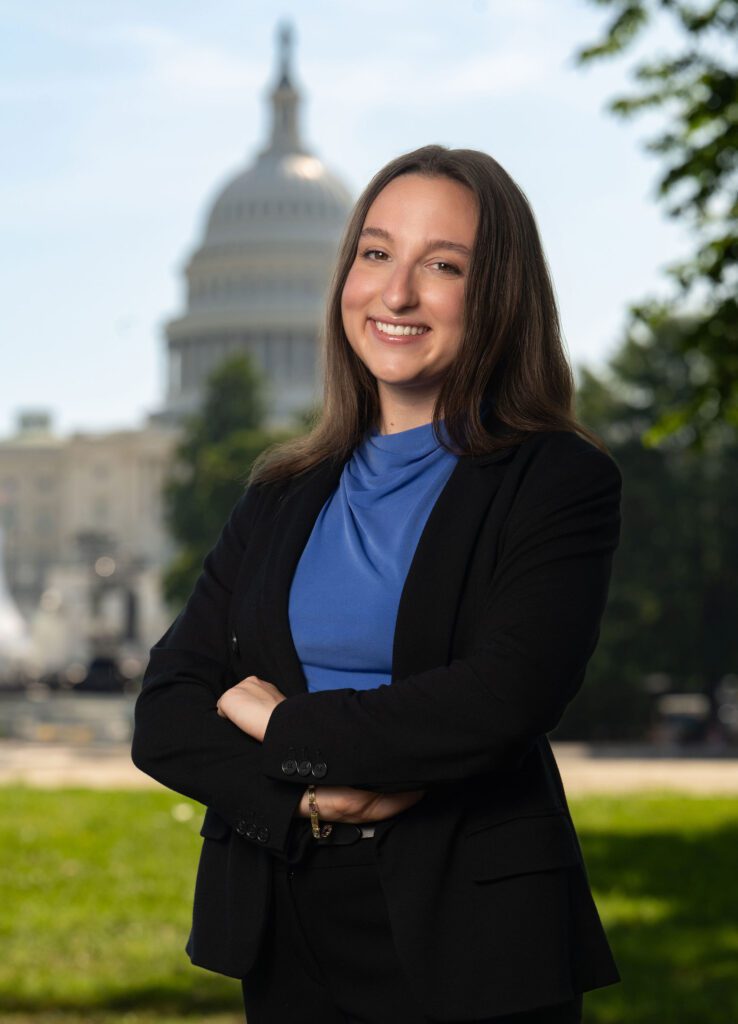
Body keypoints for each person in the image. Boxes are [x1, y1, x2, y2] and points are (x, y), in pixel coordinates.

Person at [131, 144, 623, 1024]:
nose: (396, 294)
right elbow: (166, 712)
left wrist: (277, 724)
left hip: (478, 933)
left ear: (498, 295)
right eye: (376, 252)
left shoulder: (556, 480)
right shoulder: (282, 491)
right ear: (344, 275)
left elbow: (498, 701)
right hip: (285, 925)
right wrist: (303, 799)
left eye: (442, 265)